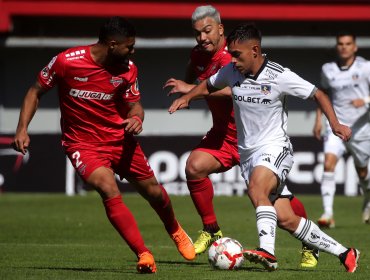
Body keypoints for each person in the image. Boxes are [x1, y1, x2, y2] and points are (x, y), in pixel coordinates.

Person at [168, 23, 360, 273]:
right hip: (248, 154)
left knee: (256, 189)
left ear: (255, 50)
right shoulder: (231, 72)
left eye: (237, 55)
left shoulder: (279, 75)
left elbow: (318, 94)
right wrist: (187, 96)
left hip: (275, 147)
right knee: (286, 219)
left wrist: (334, 124)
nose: (233, 60)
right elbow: (209, 84)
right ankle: (346, 253)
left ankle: (267, 251)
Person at [12, 16, 195, 274]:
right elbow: (35, 91)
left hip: (120, 140)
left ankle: (175, 229)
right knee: (107, 187)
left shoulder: (128, 69)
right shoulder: (66, 62)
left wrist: (136, 118)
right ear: (111, 44)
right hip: (82, 144)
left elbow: (135, 105)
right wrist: (22, 128)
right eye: (129, 46)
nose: (133, 51)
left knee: (153, 192)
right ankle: (143, 254)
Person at [313, 32, 370, 227]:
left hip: (361, 128)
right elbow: (323, 94)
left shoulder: (366, 67)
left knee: (363, 173)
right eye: (340, 44)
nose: (344, 47)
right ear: (337, 47)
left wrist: (365, 100)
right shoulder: (328, 70)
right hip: (336, 126)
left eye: (348, 44)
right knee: (328, 164)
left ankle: (368, 200)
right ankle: (327, 214)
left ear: (355, 47)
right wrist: (319, 119)